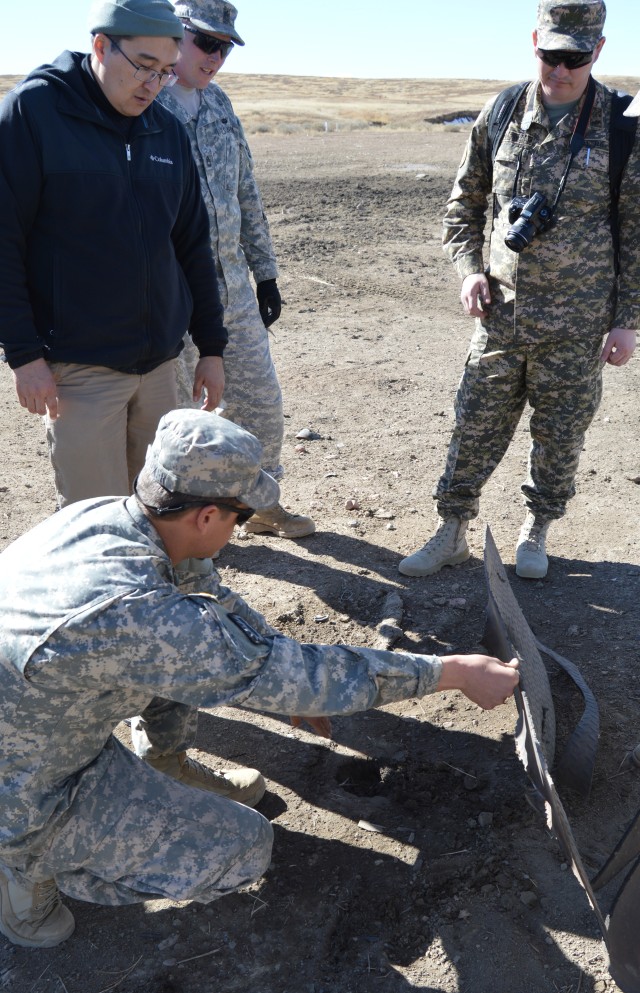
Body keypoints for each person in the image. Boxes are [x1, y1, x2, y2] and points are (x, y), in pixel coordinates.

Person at [0, 409, 519, 949]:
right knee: (245, 846)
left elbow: (211, 601)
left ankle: (162, 767)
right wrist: (450, 672)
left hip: (38, 729)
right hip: (25, 788)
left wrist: (282, 672)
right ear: (205, 516)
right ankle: (24, 868)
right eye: (241, 516)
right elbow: (216, 649)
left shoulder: (112, 517)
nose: (241, 529)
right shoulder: (136, 614)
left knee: (187, 663)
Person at [399, 0, 639, 581]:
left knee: (560, 436)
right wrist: (470, 270)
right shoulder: (503, 110)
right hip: (501, 314)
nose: (559, 69)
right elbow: (465, 204)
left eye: (574, 58)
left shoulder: (620, 124)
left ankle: (538, 530)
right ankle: (453, 530)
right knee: (474, 425)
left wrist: (627, 320)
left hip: (578, 326)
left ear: (598, 51)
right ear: (535, 41)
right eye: (549, 54)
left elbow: (634, 232)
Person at [0, 0, 227, 508]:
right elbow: (4, 242)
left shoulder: (164, 128)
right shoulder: (33, 114)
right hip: (79, 371)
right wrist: (23, 355)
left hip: (160, 368)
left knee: (160, 515)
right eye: (143, 66)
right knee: (97, 522)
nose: (152, 84)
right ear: (101, 46)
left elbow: (192, 243)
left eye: (166, 72)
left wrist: (211, 347)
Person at [158, 0, 315, 539]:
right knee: (178, 419)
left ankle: (259, 507)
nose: (217, 56)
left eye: (225, 46)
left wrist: (265, 271)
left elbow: (245, 190)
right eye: (207, 43)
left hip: (232, 291)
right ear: (176, 35)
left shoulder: (220, 104)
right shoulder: (146, 107)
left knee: (263, 406)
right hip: (171, 295)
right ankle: (180, 532)